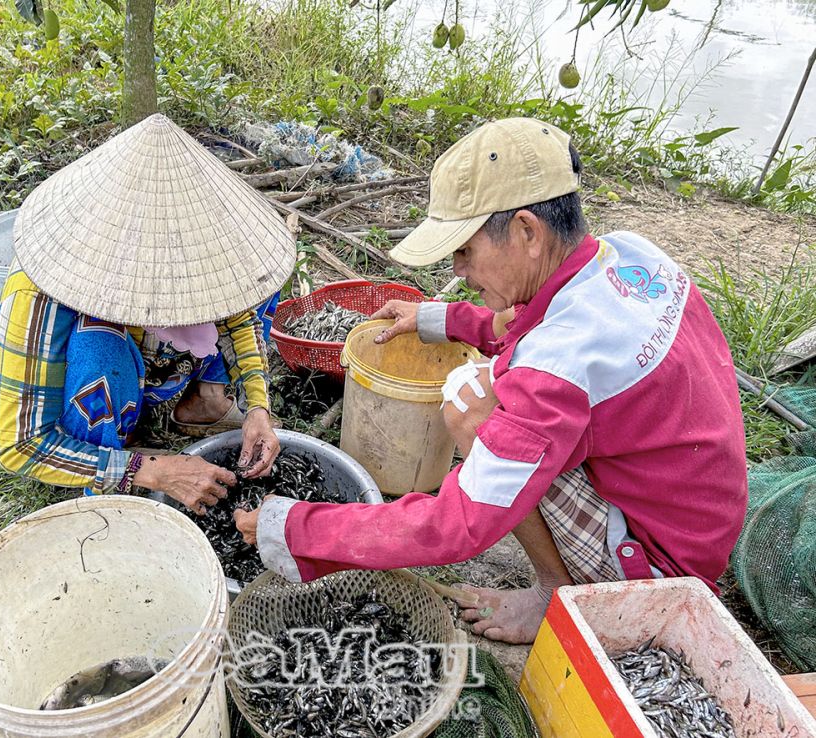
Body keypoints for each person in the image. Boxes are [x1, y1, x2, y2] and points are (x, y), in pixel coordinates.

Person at [234, 117, 748, 644]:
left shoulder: (561, 362)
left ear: (527, 231)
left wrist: (295, 527)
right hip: (694, 519)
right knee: (486, 387)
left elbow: (459, 524)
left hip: (659, 571)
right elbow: (529, 324)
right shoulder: (629, 256)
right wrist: (438, 318)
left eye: (466, 251)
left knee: (469, 398)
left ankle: (558, 593)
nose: (459, 269)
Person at [0, 114, 297, 512]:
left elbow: (240, 317)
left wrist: (257, 407)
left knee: (260, 282)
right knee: (101, 354)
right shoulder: (39, 296)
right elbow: (19, 445)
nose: (187, 297)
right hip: (101, 382)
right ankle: (113, 456)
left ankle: (206, 401)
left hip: (156, 362)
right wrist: (147, 469)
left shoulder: (210, 252)